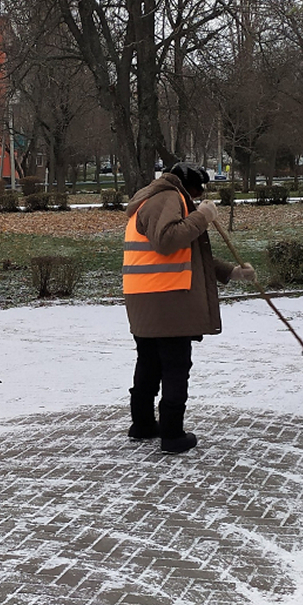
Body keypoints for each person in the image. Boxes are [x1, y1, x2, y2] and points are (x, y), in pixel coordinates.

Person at [122, 161, 256, 453]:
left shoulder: (155, 197)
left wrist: (231, 272)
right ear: (188, 184)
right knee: (174, 367)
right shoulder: (168, 197)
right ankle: (172, 434)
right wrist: (203, 218)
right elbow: (167, 241)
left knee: (149, 364)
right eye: (198, 191)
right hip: (168, 300)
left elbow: (188, 254)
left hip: (146, 297)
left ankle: (143, 425)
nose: (198, 197)